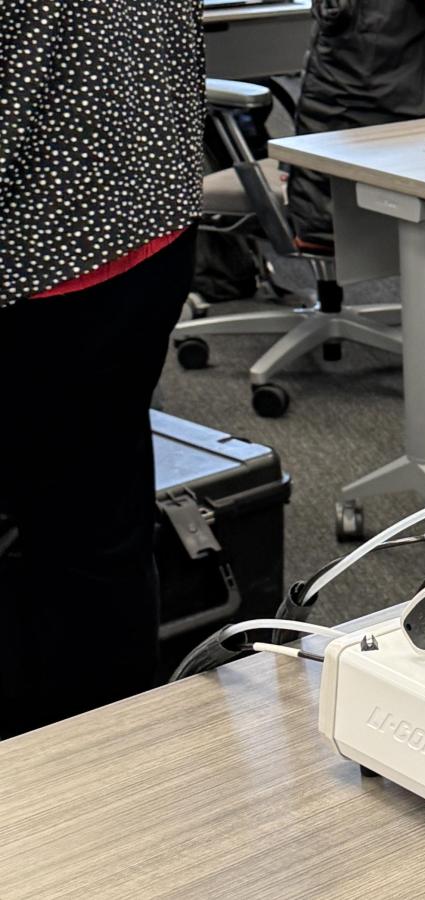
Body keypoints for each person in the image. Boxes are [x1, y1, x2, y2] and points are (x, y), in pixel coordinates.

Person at [0, 2, 204, 736]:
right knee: (96, 527)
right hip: (141, 224)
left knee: (83, 525)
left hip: (38, 260)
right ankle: (106, 776)